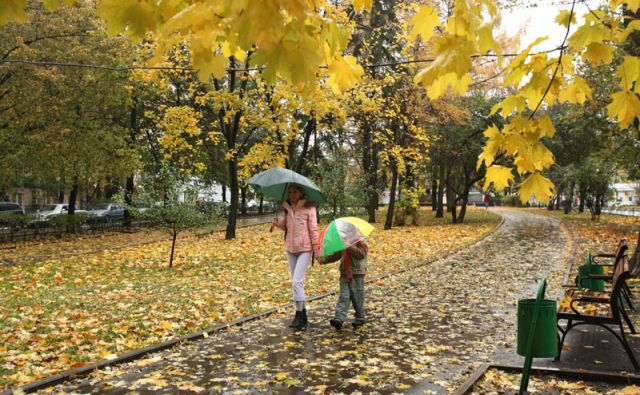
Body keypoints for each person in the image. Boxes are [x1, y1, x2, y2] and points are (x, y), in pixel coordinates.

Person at [272, 184, 319, 330]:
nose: (292, 195)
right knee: (297, 282)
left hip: (305, 248)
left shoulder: (309, 208)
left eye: (295, 192)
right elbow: (286, 227)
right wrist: (277, 223)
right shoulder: (288, 208)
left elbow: (313, 229)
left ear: (301, 192)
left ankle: (298, 315)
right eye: (290, 192)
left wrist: (317, 249)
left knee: (296, 281)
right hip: (290, 249)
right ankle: (303, 315)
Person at [317, 239, 368, 330]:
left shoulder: (360, 242)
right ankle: (339, 318)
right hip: (344, 273)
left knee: (357, 296)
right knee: (344, 296)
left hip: (357, 273)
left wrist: (349, 245)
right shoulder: (343, 241)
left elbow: (361, 255)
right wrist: (324, 259)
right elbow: (337, 255)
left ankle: (360, 317)